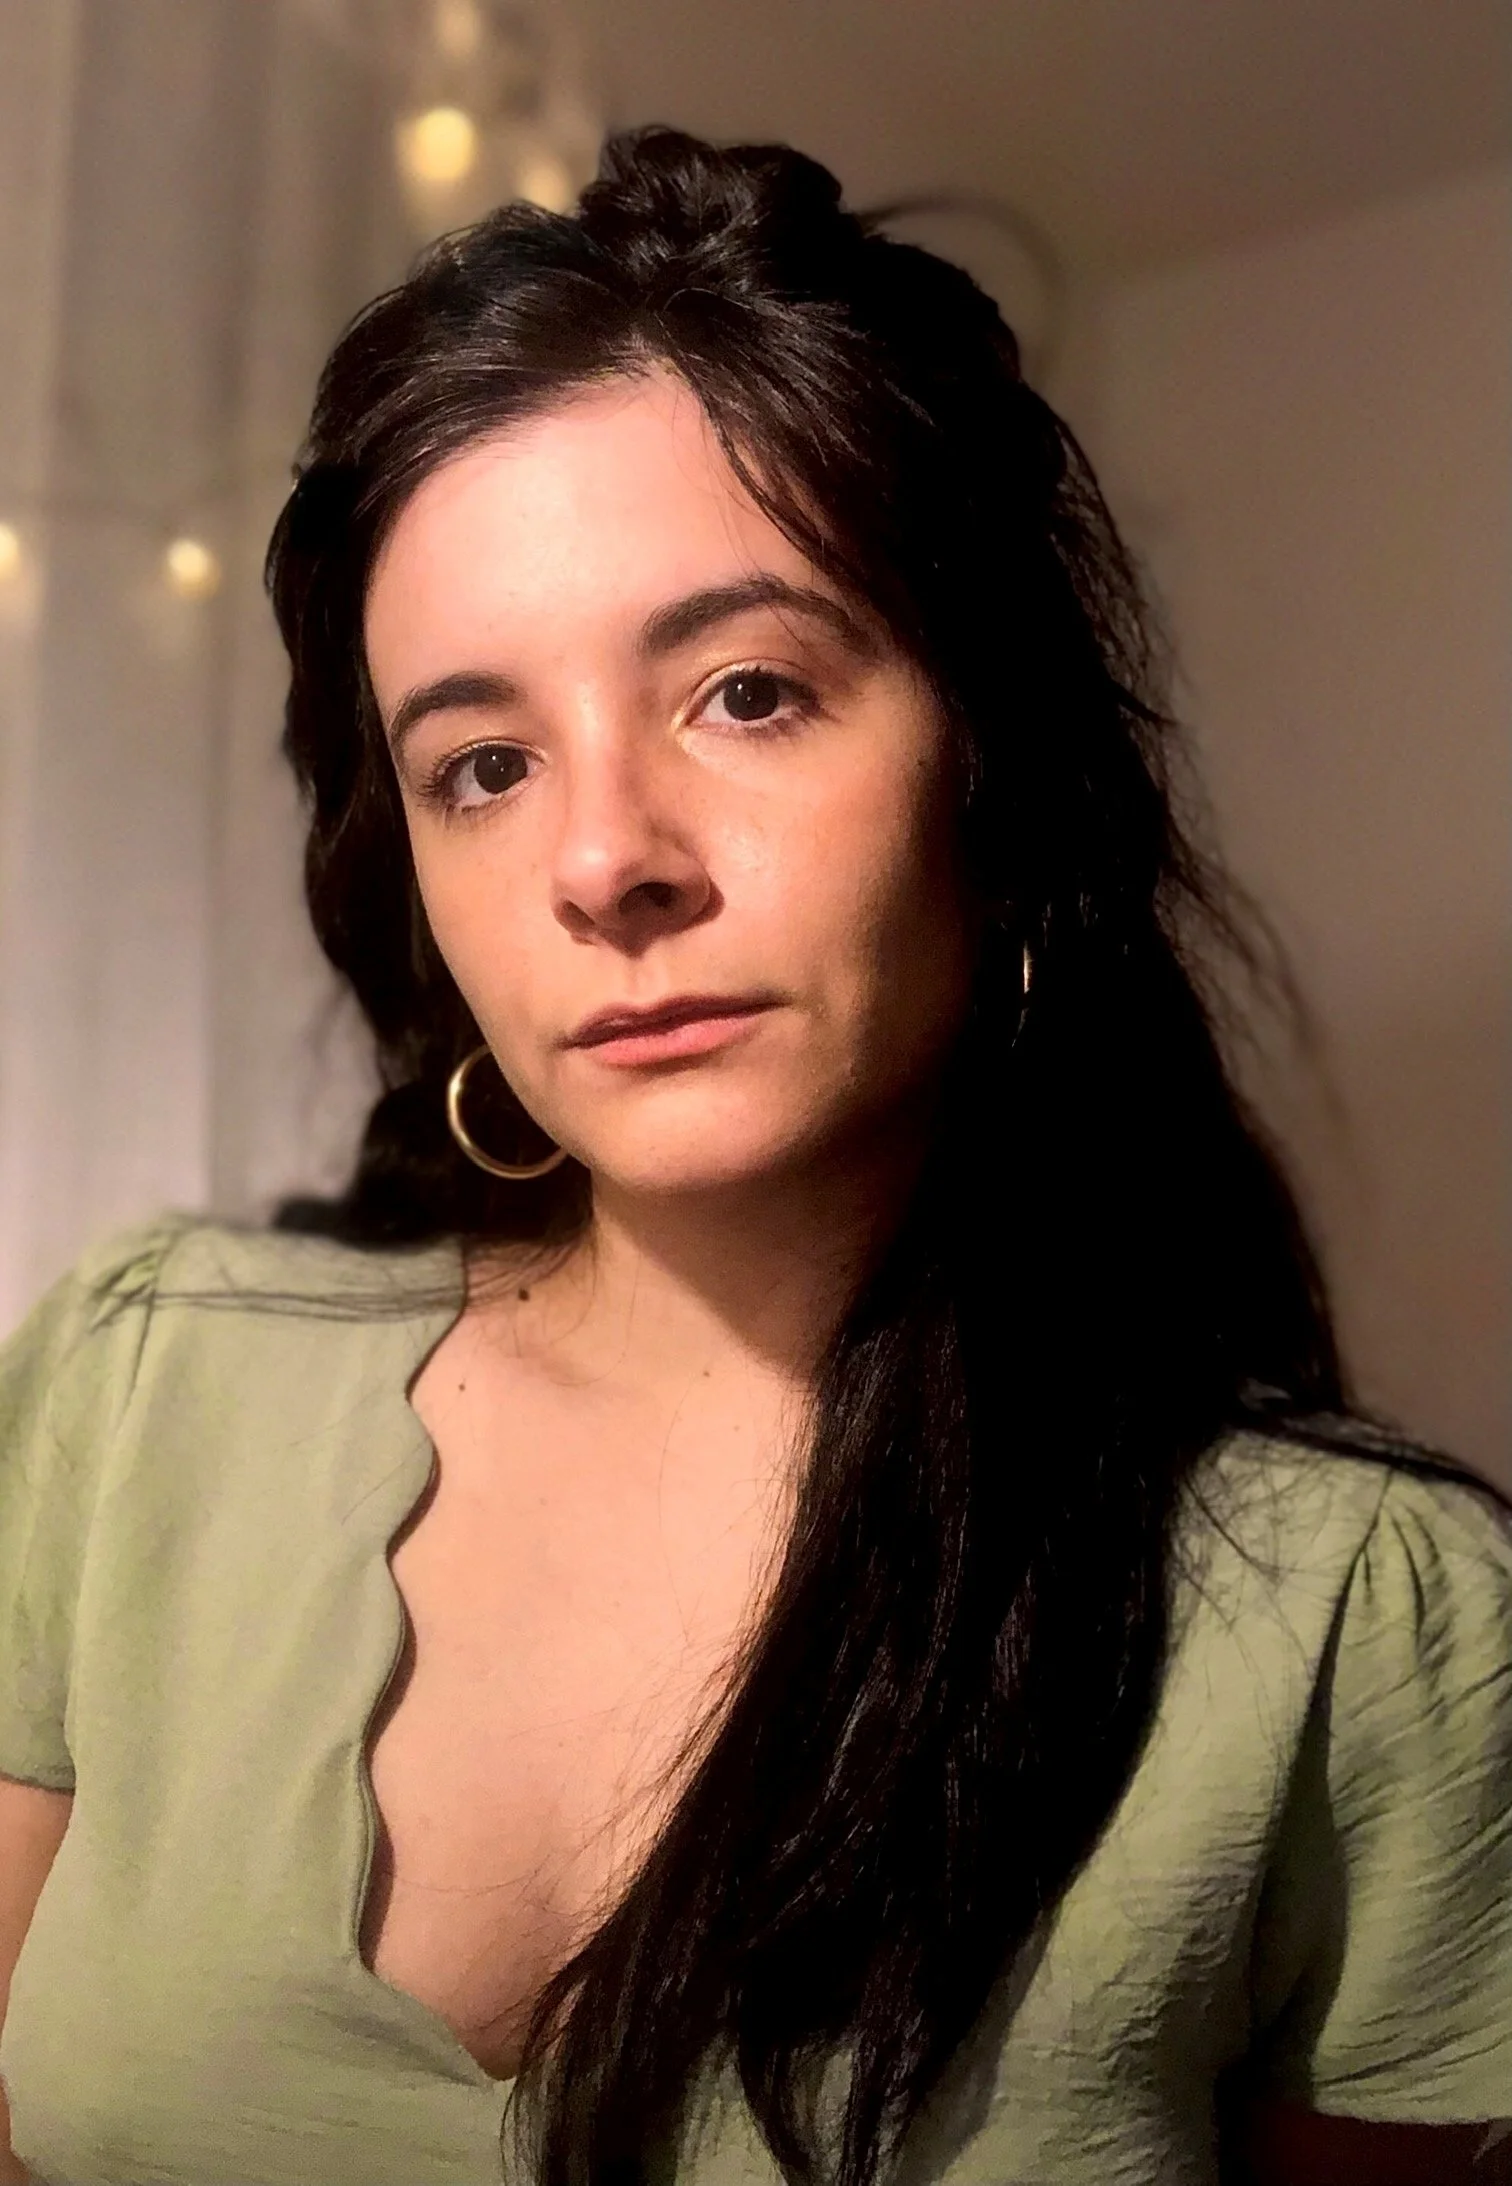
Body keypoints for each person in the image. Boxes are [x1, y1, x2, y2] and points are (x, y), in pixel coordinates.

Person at [0, 125, 1508, 2186]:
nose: (602, 859)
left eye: (745, 691)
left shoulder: (1360, 1619)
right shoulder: (142, 1389)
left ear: (991, 765)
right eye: (483, 764)